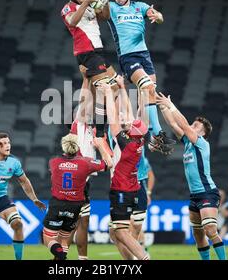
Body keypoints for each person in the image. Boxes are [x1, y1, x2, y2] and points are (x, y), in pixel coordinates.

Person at [98, 0, 175, 155]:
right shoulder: (111, 7)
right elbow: (98, 11)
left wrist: (158, 16)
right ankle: (157, 134)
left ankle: (151, 136)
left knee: (150, 94)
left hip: (144, 55)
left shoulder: (139, 6)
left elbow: (157, 14)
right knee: (147, 87)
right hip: (127, 56)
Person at [155, 92, 227, 260]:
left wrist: (171, 106)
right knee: (198, 235)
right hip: (195, 195)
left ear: (202, 132)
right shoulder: (188, 143)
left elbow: (184, 125)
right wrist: (164, 106)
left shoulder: (202, 143)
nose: (192, 126)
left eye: (196, 125)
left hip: (207, 192)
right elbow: (173, 124)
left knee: (210, 231)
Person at [61, 0, 119, 145]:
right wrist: (85, 2)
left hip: (98, 51)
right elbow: (72, 22)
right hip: (86, 52)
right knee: (106, 89)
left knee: (113, 88)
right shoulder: (68, 8)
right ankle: (100, 132)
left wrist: (105, 1)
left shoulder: (90, 6)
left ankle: (76, 115)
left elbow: (105, 16)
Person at [100, 81, 150, 260]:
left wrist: (107, 93)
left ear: (132, 130)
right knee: (116, 232)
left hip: (121, 189)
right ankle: (135, 261)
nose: (127, 120)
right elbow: (130, 117)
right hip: (133, 186)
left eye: (129, 123)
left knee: (120, 232)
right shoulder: (137, 140)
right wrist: (121, 87)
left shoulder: (125, 143)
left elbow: (114, 119)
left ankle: (143, 258)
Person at [42, 133, 112, 260]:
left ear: (64, 146)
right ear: (77, 147)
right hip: (75, 206)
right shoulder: (86, 162)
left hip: (57, 203)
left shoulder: (53, 162)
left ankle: (61, 256)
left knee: (48, 238)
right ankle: (63, 257)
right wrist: (100, 146)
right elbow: (109, 163)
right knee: (65, 237)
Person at [0, 132, 46, 260]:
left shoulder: (14, 162)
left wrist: (34, 199)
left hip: (2, 199)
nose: (7, 146)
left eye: (8, 142)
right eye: (2, 144)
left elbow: (24, 181)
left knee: (18, 224)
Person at [68, 77, 97, 260]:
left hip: (80, 179)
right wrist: (88, 79)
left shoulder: (86, 129)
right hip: (80, 179)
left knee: (77, 223)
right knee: (79, 223)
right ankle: (80, 259)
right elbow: (84, 99)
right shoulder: (78, 125)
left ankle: (65, 258)